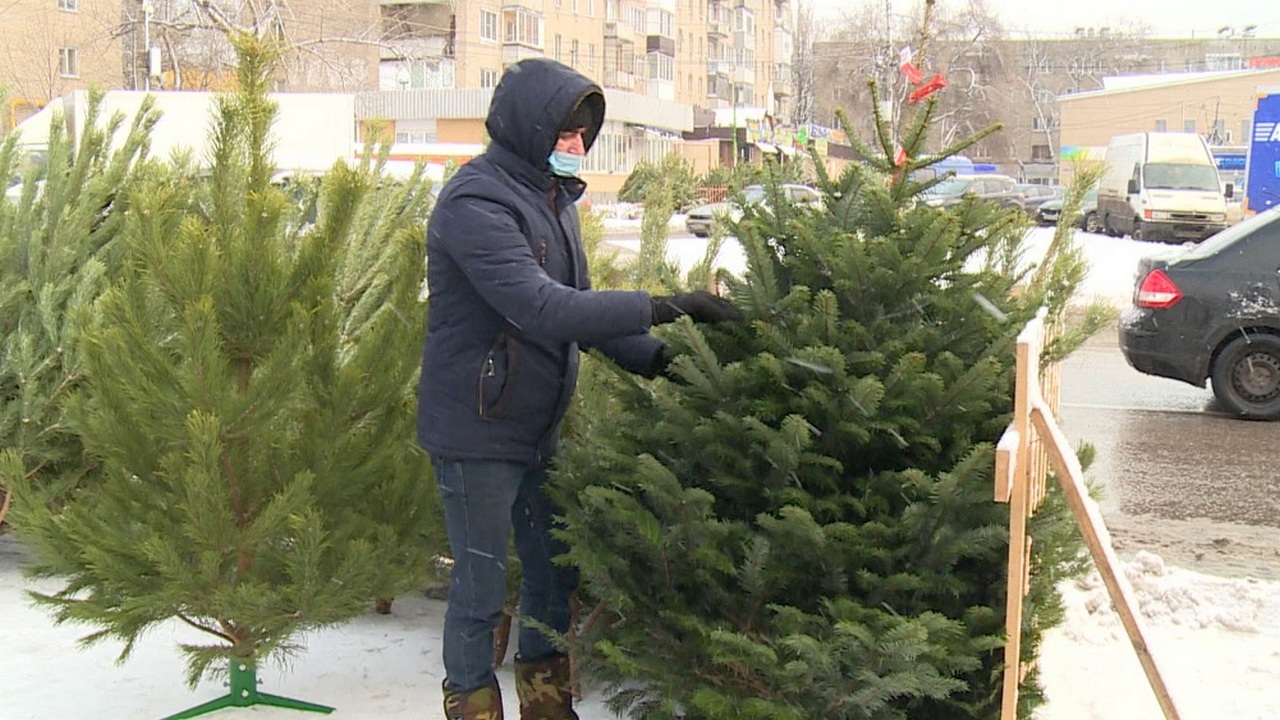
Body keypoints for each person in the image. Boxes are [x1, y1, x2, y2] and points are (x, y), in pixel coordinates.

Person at [417, 58, 740, 720]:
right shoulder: (475, 203)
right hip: (477, 430)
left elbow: (580, 306)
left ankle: (543, 699)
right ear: (528, 128)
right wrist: (665, 305)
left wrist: (661, 361)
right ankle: (472, 704)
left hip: (535, 427)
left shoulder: (552, 202)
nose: (575, 147)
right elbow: (543, 309)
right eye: (565, 133)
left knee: (551, 571)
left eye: (583, 136)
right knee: (480, 587)